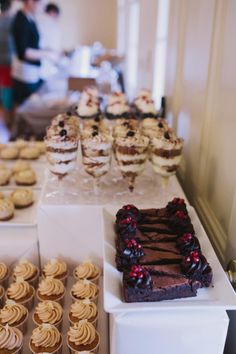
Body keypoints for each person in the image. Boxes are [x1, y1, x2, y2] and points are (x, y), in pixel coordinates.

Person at [11, 0, 57, 104]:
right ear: (31, 2)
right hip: (24, 75)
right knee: (23, 108)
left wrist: (47, 50)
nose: (43, 8)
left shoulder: (30, 18)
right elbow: (24, 52)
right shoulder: (20, 20)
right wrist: (47, 54)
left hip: (32, 72)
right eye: (41, 4)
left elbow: (33, 45)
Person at [37, 2, 62, 80]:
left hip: (40, 66)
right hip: (44, 66)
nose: (57, 19)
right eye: (57, 16)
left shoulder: (37, 20)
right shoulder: (49, 24)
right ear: (52, 13)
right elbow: (52, 47)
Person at [0, 0, 14, 127]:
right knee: (7, 90)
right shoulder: (11, 21)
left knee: (4, 89)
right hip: (9, 62)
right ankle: (7, 118)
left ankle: (5, 116)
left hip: (1, 62)